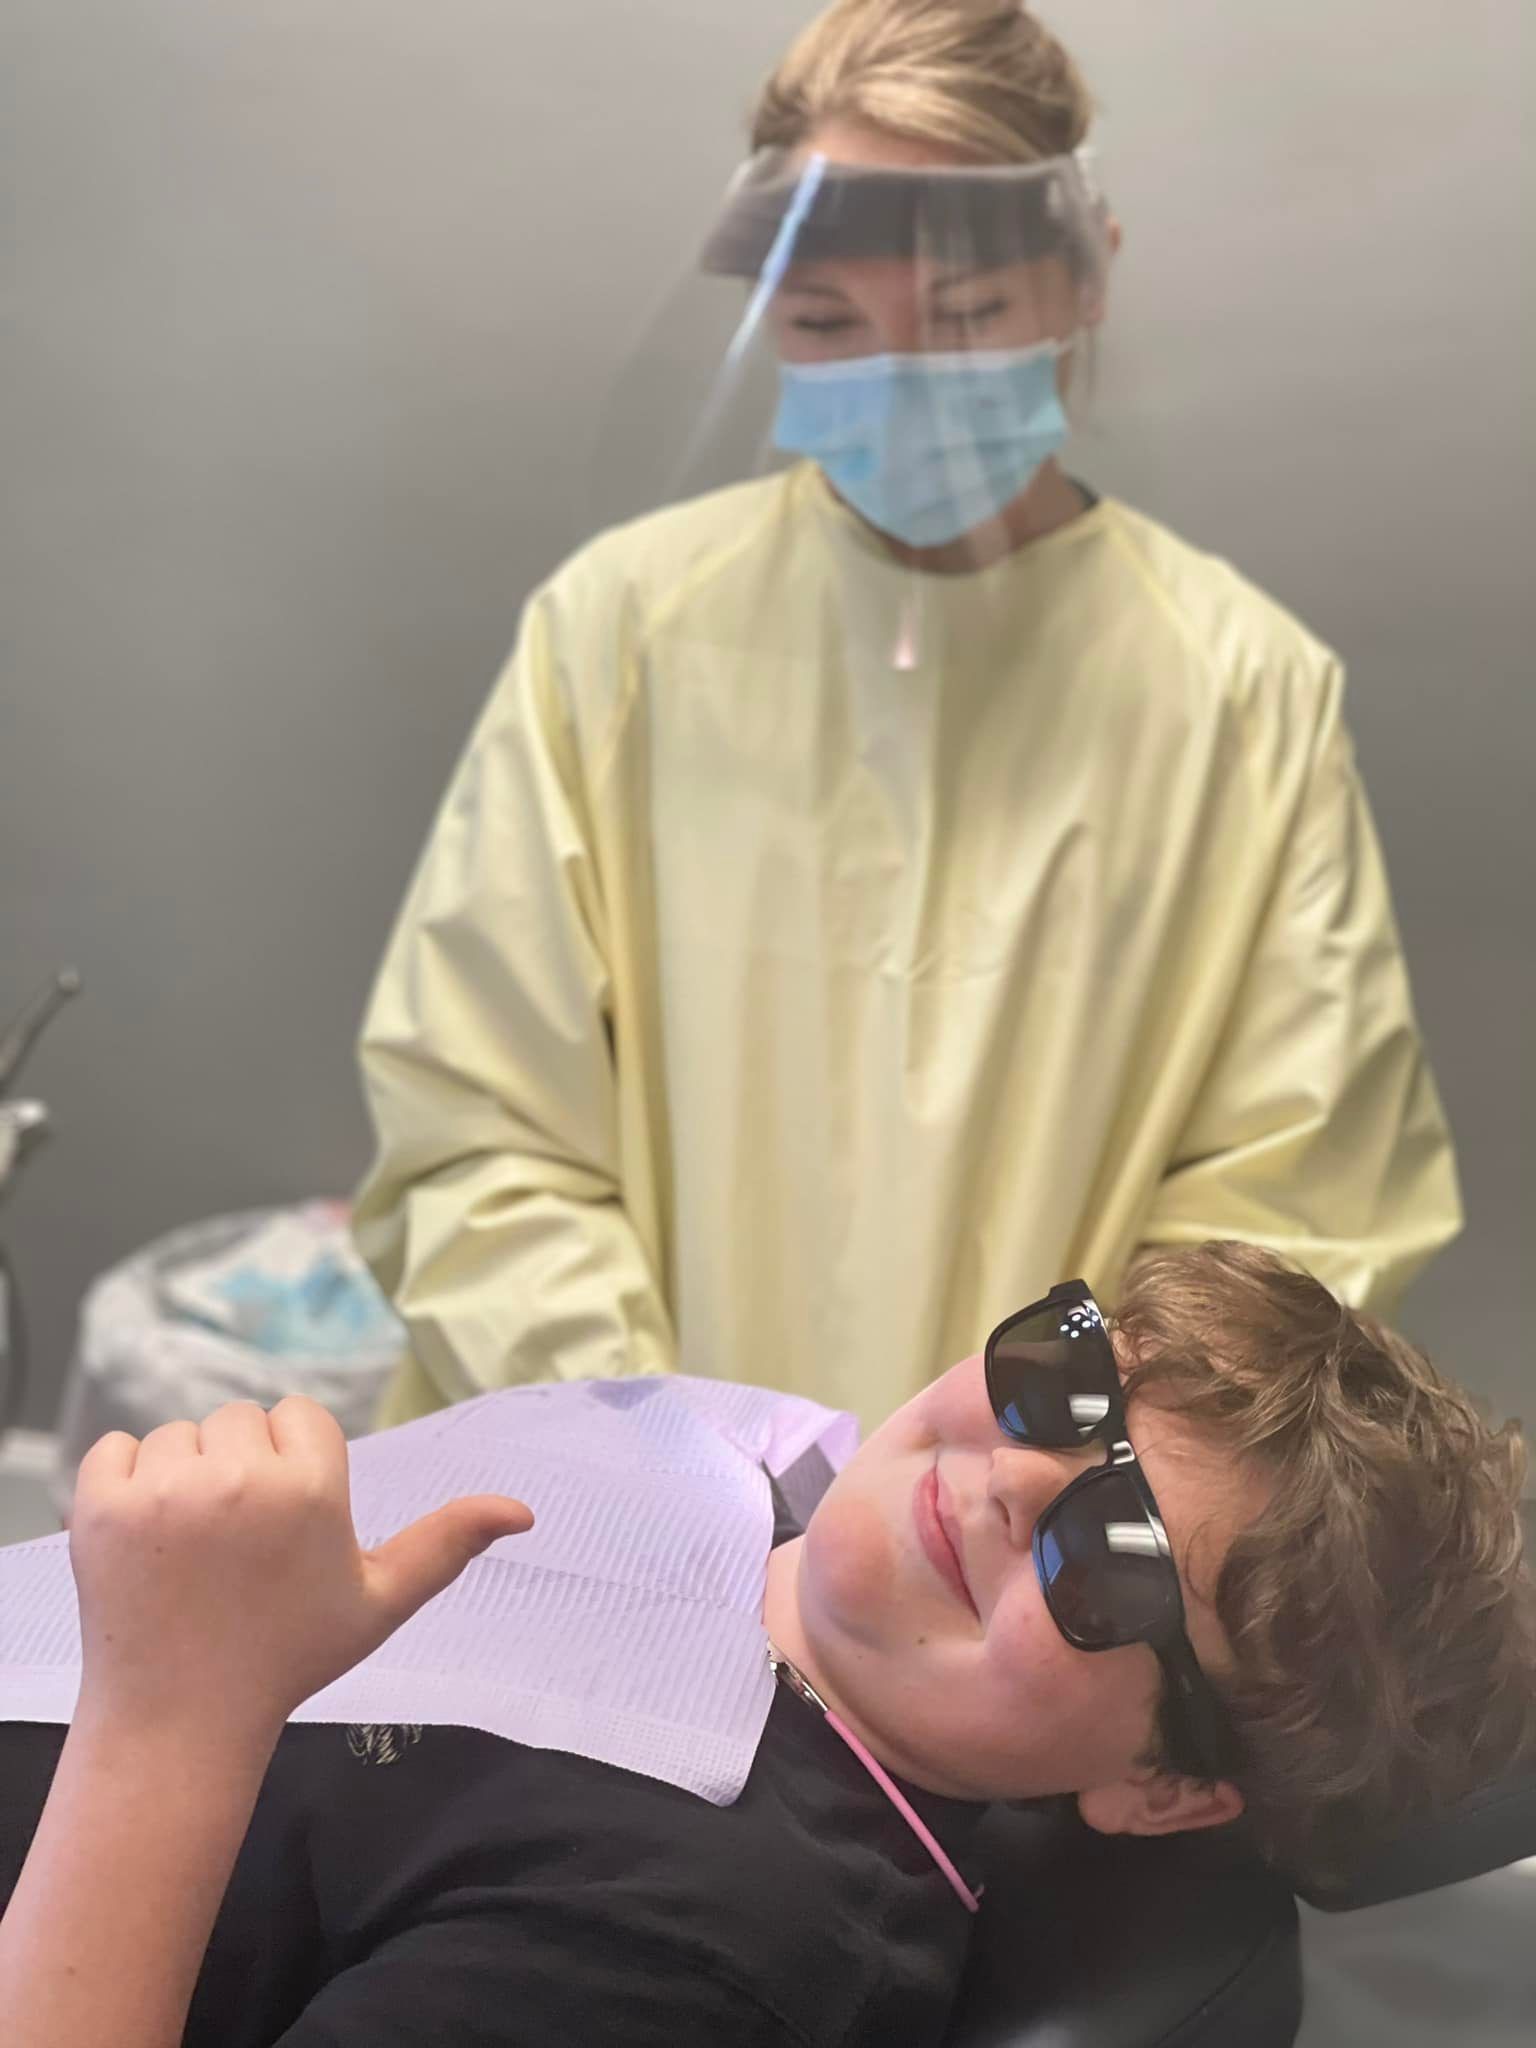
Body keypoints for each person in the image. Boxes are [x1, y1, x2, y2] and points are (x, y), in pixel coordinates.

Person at [351, 0, 1460, 1433]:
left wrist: (1005, 1486)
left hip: (1024, 1571)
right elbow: (479, 1141)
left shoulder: (1242, 693)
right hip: (609, 1535)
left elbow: (1298, 1211)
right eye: (828, 323)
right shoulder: (620, 633)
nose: (905, 379)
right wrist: (694, 1486)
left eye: (968, 316)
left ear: (1087, 277)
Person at [1, 1243, 1531, 2048]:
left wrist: (170, 1716)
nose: (1015, 1476)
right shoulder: (732, 1464)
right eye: (1063, 1380)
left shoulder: (707, 1952)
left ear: (1169, 1788)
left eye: (1112, 1556)